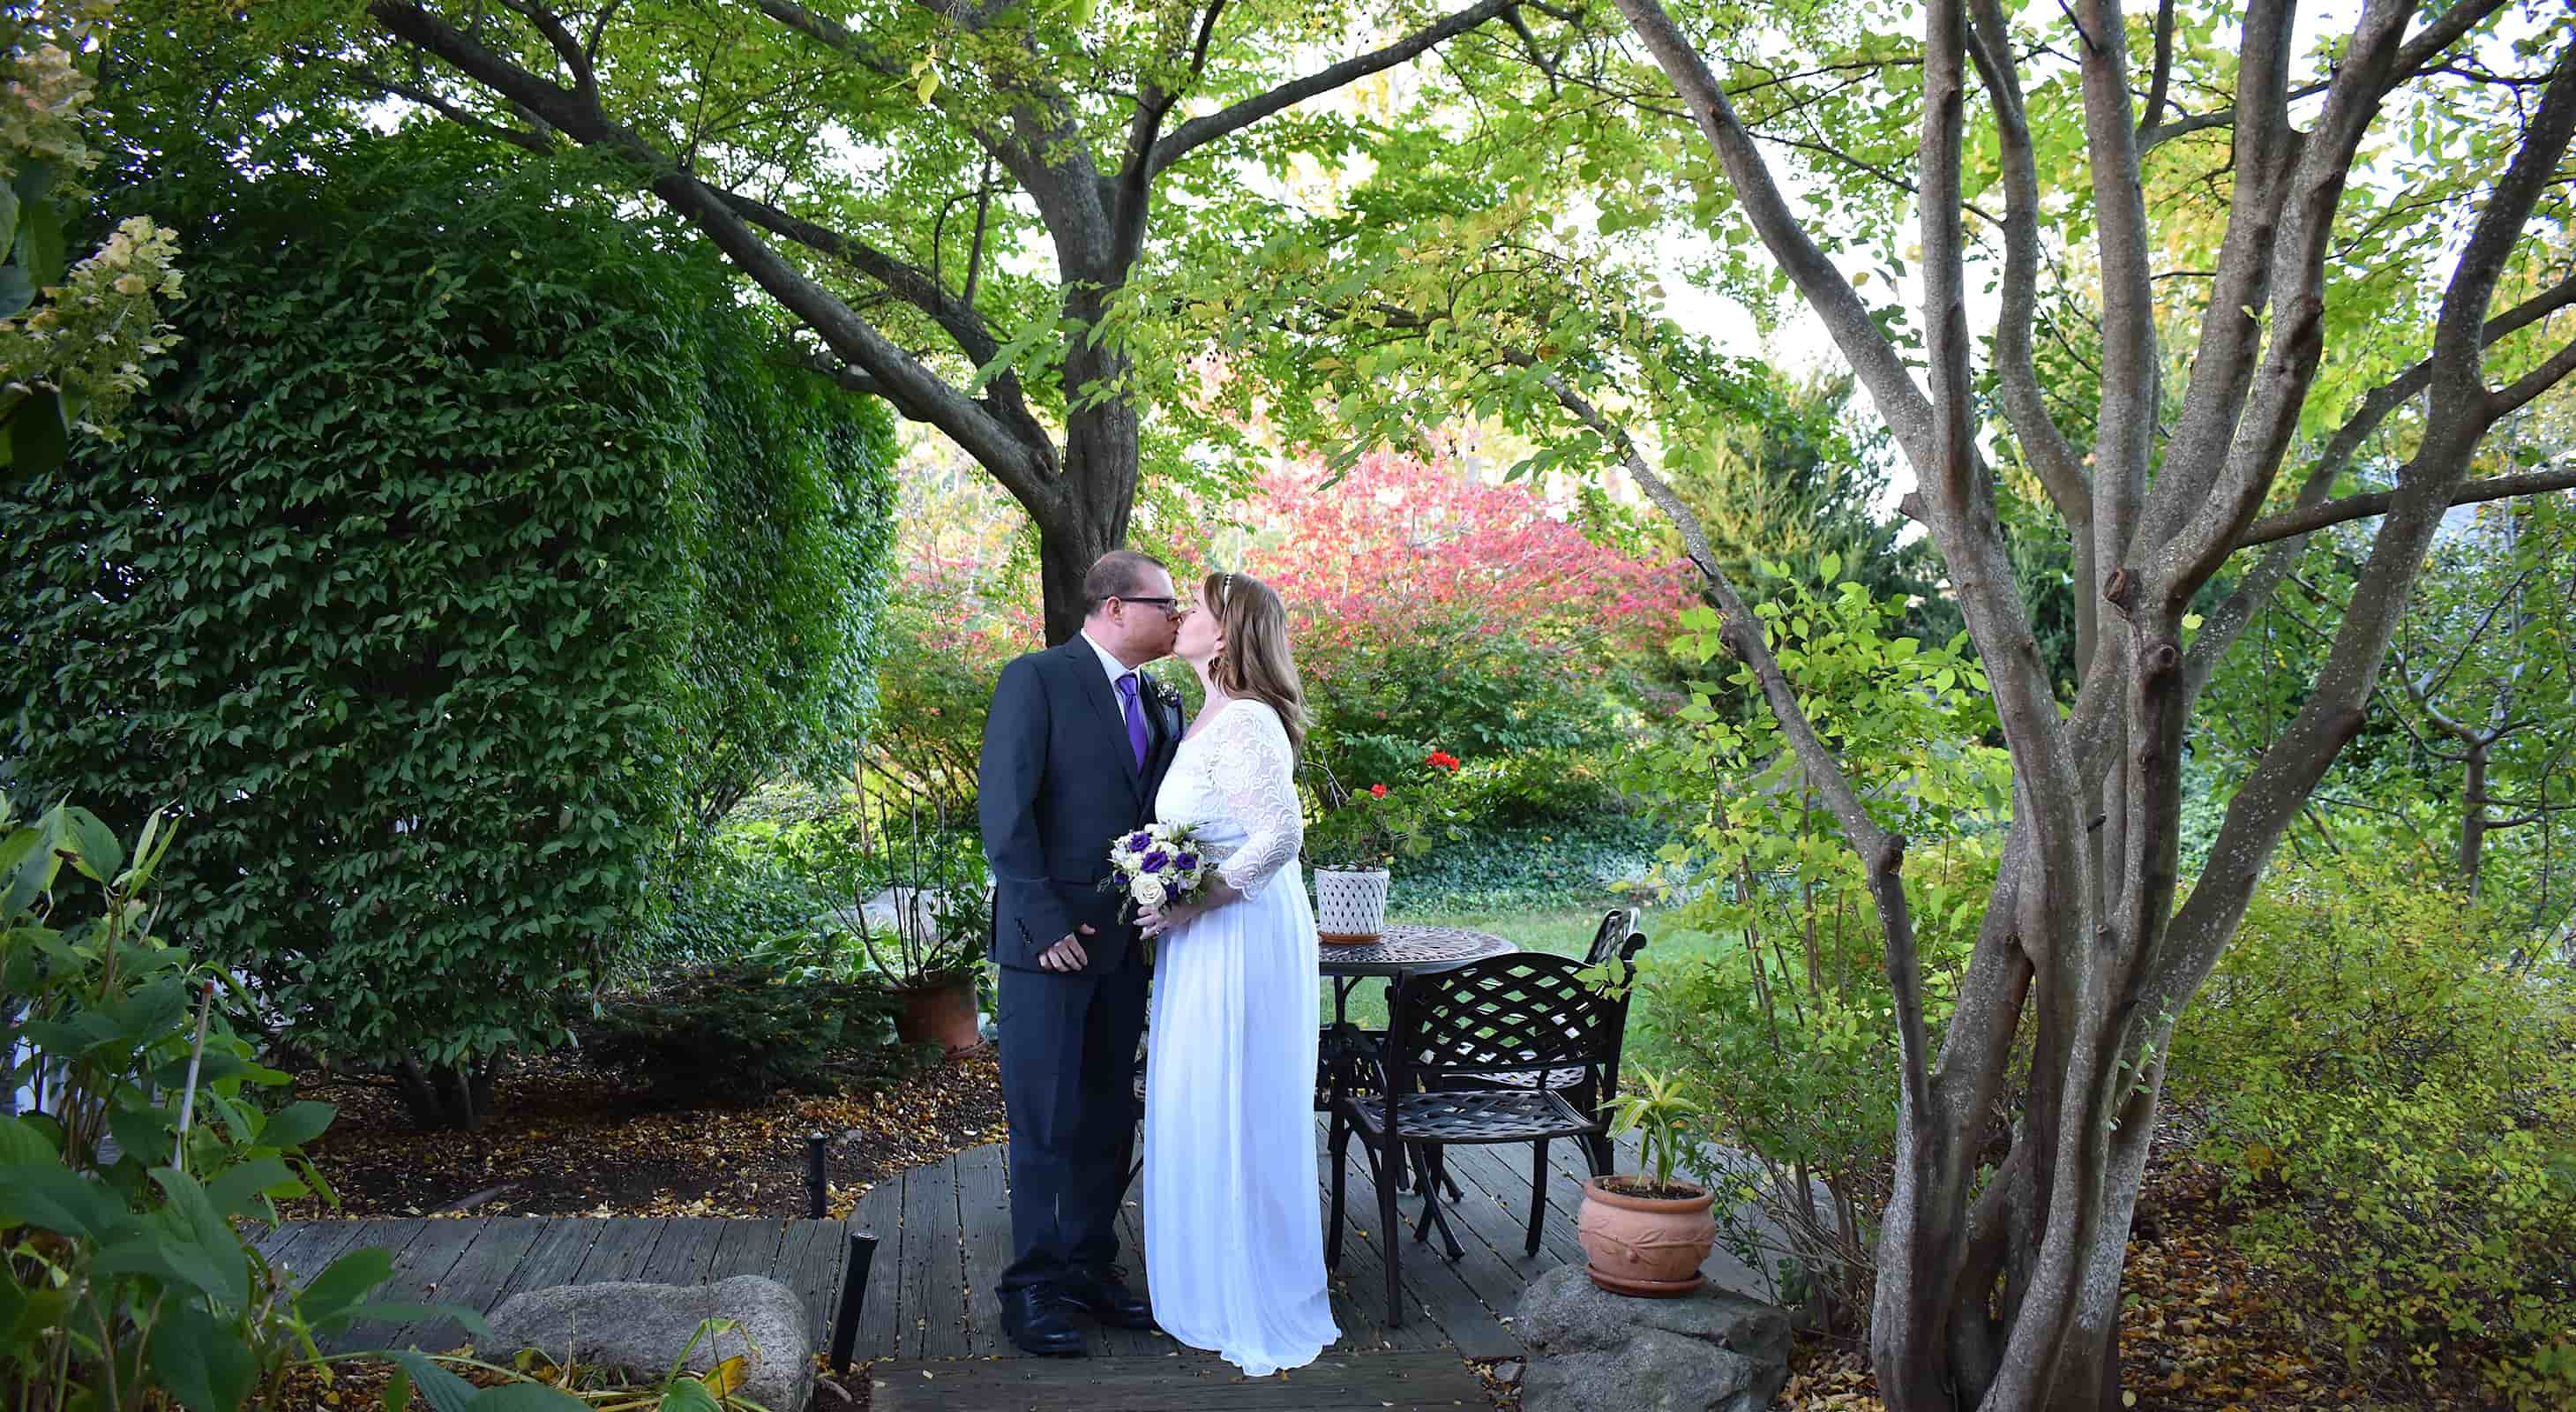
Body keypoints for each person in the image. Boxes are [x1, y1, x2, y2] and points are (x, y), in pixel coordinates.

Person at [977, 550, 1186, 1357]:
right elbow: (1005, 812)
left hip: (1127, 951)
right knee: (1044, 1121)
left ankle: (1090, 1268)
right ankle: (1029, 1290)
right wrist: (1041, 924)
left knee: (1108, 1115)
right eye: (1163, 604)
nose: (1175, 617)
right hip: (1049, 952)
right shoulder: (1036, 679)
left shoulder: (1161, 701)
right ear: (1111, 607)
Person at [1134, 570, 1340, 1377]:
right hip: (1204, 936)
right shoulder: (1203, 715)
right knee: (1197, 1096)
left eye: (1200, 609)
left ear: (1225, 635)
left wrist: (1200, 899)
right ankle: (1207, 1277)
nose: (1183, 615)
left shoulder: (1248, 720)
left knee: (1237, 1097)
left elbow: (1280, 833)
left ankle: (1250, 1289)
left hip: (1240, 931)